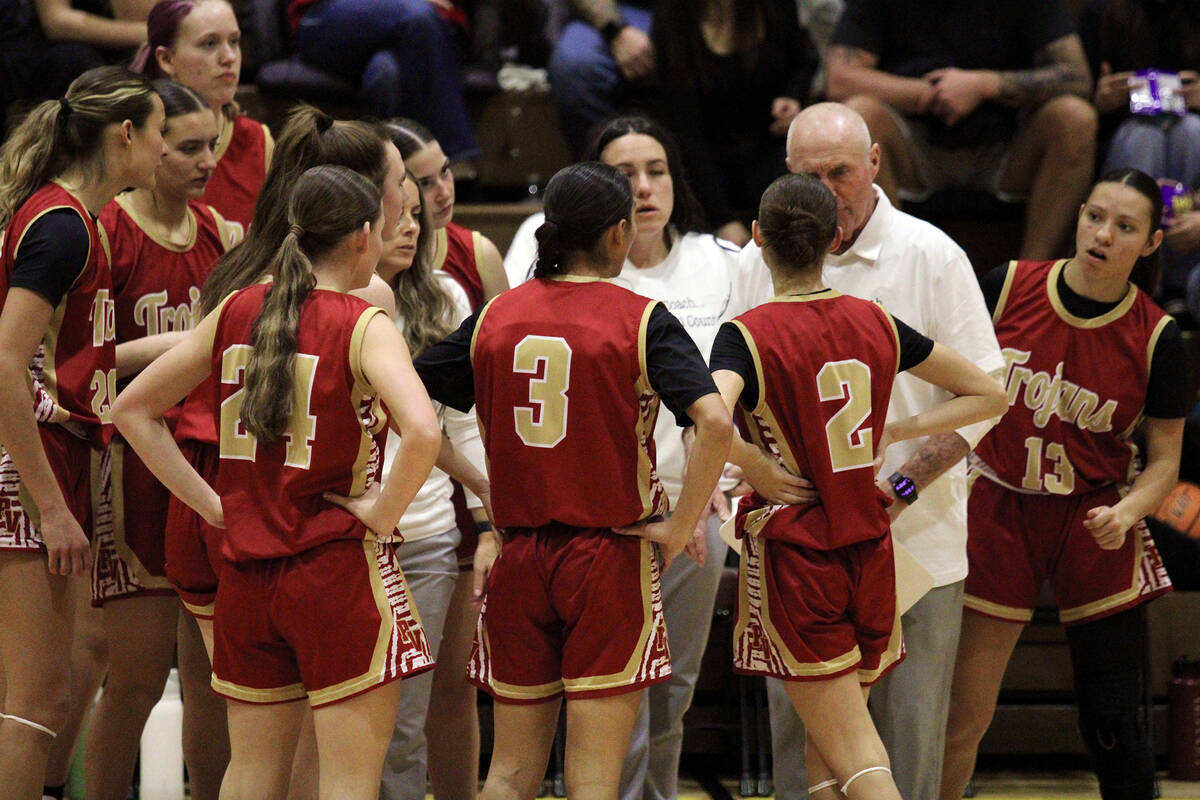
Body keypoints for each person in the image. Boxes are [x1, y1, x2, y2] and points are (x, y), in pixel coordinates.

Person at [111, 164, 443, 800]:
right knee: (346, 780)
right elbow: (424, 432)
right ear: (362, 236)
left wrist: (211, 504)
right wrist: (380, 513)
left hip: (246, 574)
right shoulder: (362, 321)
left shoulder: (238, 308)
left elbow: (131, 409)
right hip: (335, 570)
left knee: (253, 773)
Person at [415, 161, 732, 800]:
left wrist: (482, 486)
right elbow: (716, 422)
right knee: (594, 779)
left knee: (508, 772)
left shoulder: (496, 316)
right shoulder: (643, 319)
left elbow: (411, 407)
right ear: (618, 235)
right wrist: (681, 523)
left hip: (519, 557)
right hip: (607, 558)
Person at [711, 172, 1007, 800]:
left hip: (800, 551)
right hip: (872, 549)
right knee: (828, 762)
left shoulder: (748, 333)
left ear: (757, 238)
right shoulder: (876, 320)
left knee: (860, 757)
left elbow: (707, 421)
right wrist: (899, 425)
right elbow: (990, 391)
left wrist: (758, 467)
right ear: (834, 237)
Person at [507, 114, 768, 800]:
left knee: (671, 687)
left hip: (690, 508)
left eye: (657, 170)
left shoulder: (724, 262)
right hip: (595, 519)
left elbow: (757, 382)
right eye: (625, 176)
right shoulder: (537, 266)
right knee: (604, 694)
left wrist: (729, 476)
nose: (645, 188)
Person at [940, 168, 1190, 800]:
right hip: (999, 503)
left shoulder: (1157, 336)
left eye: (1125, 226)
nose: (1104, 235)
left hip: (1096, 517)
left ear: (1151, 244)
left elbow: (1164, 460)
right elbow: (951, 390)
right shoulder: (1008, 285)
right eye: (1095, 216)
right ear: (1078, 215)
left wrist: (1132, 510)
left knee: (1113, 718)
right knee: (963, 715)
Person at [0, 65, 164, 800]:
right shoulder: (62, 224)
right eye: (161, 131)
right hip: (26, 466)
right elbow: (4, 360)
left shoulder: (73, 220)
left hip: (54, 460)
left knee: (52, 698)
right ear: (126, 134)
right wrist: (52, 505)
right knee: (32, 707)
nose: (163, 148)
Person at [78, 79, 239, 800]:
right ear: (145, 144)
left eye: (212, 144)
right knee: (137, 676)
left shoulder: (225, 235)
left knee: (216, 680)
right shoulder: (105, 230)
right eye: (187, 147)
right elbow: (77, 356)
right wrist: (183, 347)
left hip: (205, 460)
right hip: (127, 460)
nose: (206, 161)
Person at [375, 166, 495, 800]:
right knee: (362, 721)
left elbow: (464, 423)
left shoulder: (446, 296)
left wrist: (485, 515)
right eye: (397, 211)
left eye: (417, 215)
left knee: (413, 720)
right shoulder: (328, 299)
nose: (410, 226)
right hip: (353, 533)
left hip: (425, 533)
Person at [825, 0, 1097, 260]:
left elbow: (1078, 77)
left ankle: (1031, 284)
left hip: (1007, 148)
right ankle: (888, 272)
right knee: (860, 115)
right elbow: (839, 80)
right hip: (912, 147)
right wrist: (927, 94)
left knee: (1075, 118)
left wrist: (984, 84)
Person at [650, 0, 818, 245]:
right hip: (706, 167)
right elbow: (685, 133)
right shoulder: (672, 16)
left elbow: (804, 61)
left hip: (770, 148)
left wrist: (792, 97)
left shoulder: (774, 7)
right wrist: (722, 220)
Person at [1080, 0, 1200, 320]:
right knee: (1145, 134)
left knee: (1191, 129)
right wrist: (1101, 99)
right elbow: (1077, 95)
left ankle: (1174, 289)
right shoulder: (1100, 12)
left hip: (1190, 142)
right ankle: (1134, 279)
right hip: (1122, 142)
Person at [134, 0, 273, 229]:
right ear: (167, 59)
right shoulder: (133, 143)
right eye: (210, 44)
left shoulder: (258, 141)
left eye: (234, 41)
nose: (229, 57)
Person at [289, 0, 480, 164]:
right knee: (418, 16)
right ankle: (453, 159)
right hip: (330, 20)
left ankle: (383, 173)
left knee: (385, 73)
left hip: (413, 31)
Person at [384, 119, 508, 309]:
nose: (445, 193)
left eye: (444, 171)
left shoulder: (479, 253)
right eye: (425, 183)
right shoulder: (366, 259)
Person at [0, 0, 147, 128]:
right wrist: (151, 33)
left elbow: (137, 15)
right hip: (62, 54)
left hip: (125, 45)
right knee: (75, 62)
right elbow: (56, 22)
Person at [548, 0, 655, 155]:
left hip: (687, 12)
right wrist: (615, 29)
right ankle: (605, 171)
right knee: (576, 65)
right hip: (618, 11)